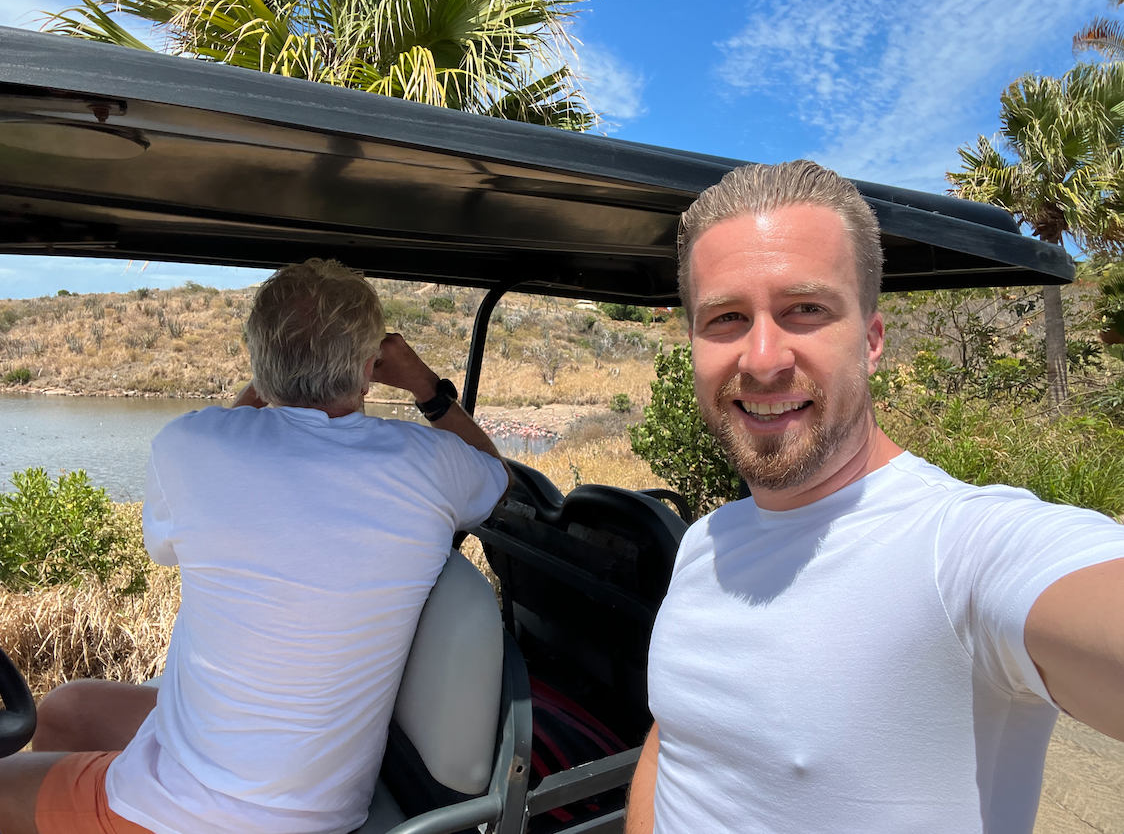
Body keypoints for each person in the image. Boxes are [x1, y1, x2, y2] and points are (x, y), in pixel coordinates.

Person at [624, 161, 1124, 834]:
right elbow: (677, 741)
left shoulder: (961, 549)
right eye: (726, 317)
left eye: (806, 309)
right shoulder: (706, 543)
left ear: (871, 340)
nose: (763, 358)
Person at [0, 259, 510, 834]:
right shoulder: (429, 461)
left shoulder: (190, 443)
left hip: (193, 813)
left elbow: (168, 541)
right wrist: (424, 386)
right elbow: (496, 477)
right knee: (68, 709)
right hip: (318, 804)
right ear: (371, 371)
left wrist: (265, 384)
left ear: (258, 363)